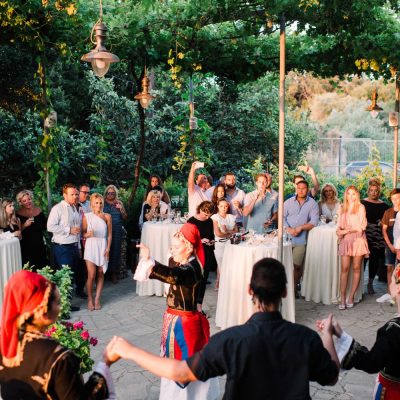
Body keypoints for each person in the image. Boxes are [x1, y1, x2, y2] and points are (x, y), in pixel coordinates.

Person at [110, 257, 339, 400]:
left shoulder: (231, 340)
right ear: (285, 293)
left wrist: (129, 351)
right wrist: (327, 335)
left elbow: (179, 372)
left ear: (250, 291)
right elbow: (332, 376)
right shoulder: (306, 338)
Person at [133, 223, 219, 400]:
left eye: (176, 247)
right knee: (181, 363)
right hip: (178, 320)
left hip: (185, 325)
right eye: (171, 246)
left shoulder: (192, 268)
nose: (172, 250)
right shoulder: (186, 263)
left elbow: (174, 275)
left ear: (188, 248)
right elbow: (173, 271)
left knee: (181, 365)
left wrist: (150, 261)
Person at [0, 270, 116, 399]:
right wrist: (106, 363)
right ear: (43, 310)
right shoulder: (58, 357)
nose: (60, 308)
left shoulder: (5, 344)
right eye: (58, 303)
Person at [318, 264, 400, 399]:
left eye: (391, 280)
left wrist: (343, 338)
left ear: (398, 288)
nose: (389, 283)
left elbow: (371, 363)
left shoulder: (392, 330)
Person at [47, 183, 81, 312]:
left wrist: (78, 247)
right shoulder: (58, 208)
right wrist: (68, 230)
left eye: (76, 194)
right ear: (64, 195)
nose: (75, 196)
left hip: (73, 247)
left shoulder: (74, 208)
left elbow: (76, 231)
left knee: (70, 277)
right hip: (62, 247)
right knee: (64, 277)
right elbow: (50, 226)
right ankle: (61, 308)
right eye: (72, 194)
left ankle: (66, 305)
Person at [284, 180, 319, 298]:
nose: (301, 190)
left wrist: (300, 228)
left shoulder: (313, 204)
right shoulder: (288, 202)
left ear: (307, 189)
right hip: (285, 239)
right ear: (296, 188)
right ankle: (283, 289)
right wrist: (289, 229)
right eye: (299, 188)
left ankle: (293, 290)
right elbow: (281, 218)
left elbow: (314, 222)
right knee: (284, 265)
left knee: (296, 266)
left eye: (304, 188)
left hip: (300, 240)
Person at [336, 185, 369, 310]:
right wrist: (346, 231)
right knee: (344, 269)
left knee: (356, 268)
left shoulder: (361, 207)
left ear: (357, 195)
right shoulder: (341, 207)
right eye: (348, 194)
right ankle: (343, 297)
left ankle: (351, 296)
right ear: (345, 195)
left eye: (353, 194)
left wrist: (346, 230)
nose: (351, 196)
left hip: (358, 241)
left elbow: (361, 228)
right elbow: (338, 230)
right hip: (346, 242)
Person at [83, 193, 112, 311]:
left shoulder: (107, 216)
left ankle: (97, 299)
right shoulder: (87, 216)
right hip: (91, 246)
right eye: (96, 203)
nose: (99, 205)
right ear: (91, 204)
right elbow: (83, 234)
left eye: (100, 203)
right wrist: (87, 234)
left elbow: (109, 235)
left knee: (100, 273)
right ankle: (90, 299)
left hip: (102, 245)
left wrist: (108, 248)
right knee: (91, 274)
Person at [188, 201, 218, 312]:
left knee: (203, 280)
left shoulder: (210, 221)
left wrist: (211, 242)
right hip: (195, 254)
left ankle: (199, 306)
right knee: (195, 280)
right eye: (205, 215)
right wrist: (200, 241)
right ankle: (192, 305)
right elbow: (187, 241)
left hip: (207, 252)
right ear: (200, 210)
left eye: (209, 215)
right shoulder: (191, 221)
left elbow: (211, 236)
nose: (207, 217)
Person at [361, 179, 388, 295]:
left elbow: (385, 222)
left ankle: (370, 283)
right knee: (362, 259)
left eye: (376, 191)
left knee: (374, 260)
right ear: (368, 191)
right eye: (371, 190)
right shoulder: (362, 203)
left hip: (378, 237)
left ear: (379, 192)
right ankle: (359, 284)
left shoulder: (384, 205)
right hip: (364, 235)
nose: (374, 193)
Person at [16, 190, 48, 270]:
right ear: (20, 202)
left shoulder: (39, 211)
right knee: (29, 269)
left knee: (42, 268)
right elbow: (16, 232)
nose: (28, 202)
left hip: (39, 245)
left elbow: (45, 226)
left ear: (32, 199)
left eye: (29, 199)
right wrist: (25, 225)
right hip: (26, 247)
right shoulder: (17, 214)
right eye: (24, 201)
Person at [211, 198, 237, 289]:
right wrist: (229, 233)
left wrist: (226, 231)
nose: (224, 208)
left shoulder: (231, 217)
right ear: (218, 206)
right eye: (221, 206)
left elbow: (236, 231)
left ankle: (222, 282)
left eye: (225, 206)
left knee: (229, 263)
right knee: (220, 263)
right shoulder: (215, 217)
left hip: (231, 244)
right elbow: (218, 233)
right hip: (220, 243)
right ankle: (220, 282)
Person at [103, 185, 127, 284]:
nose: (110, 195)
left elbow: (125, 217)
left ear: (115, 194)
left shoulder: (119, 203)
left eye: (112, 193)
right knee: (105, 251)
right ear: (106, 194)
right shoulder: (102, 203)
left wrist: (121, 209)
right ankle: (104, 273)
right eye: (108, 193)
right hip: (104, 229)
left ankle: (114, 273)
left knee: (116, 252)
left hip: (117, 229)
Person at [380, 188, 400, 303]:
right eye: (393, 199)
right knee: (389, 268)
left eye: (398, 198)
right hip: (390, 245)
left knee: (399, 271)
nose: (396, 201)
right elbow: (384, 230)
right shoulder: (388, 212)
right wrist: (390, 245)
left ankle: (397, 294)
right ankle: (389, 293)